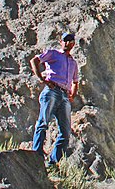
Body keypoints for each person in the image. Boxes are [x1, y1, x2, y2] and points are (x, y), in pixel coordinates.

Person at [30, 32, 79, 165]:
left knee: (65, 132)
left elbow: (75, 81)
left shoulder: (73, 63)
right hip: (52, 90)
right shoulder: (53, 54)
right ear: (61, 41)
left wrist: (72, 96)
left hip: (64, 96)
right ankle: (37, 157)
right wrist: (42, 79)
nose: (68, 43)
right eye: (65, 40)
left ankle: (52, 163)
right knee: (43, 122)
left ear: (74, 43)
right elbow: (34, 60)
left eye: (71, 41)